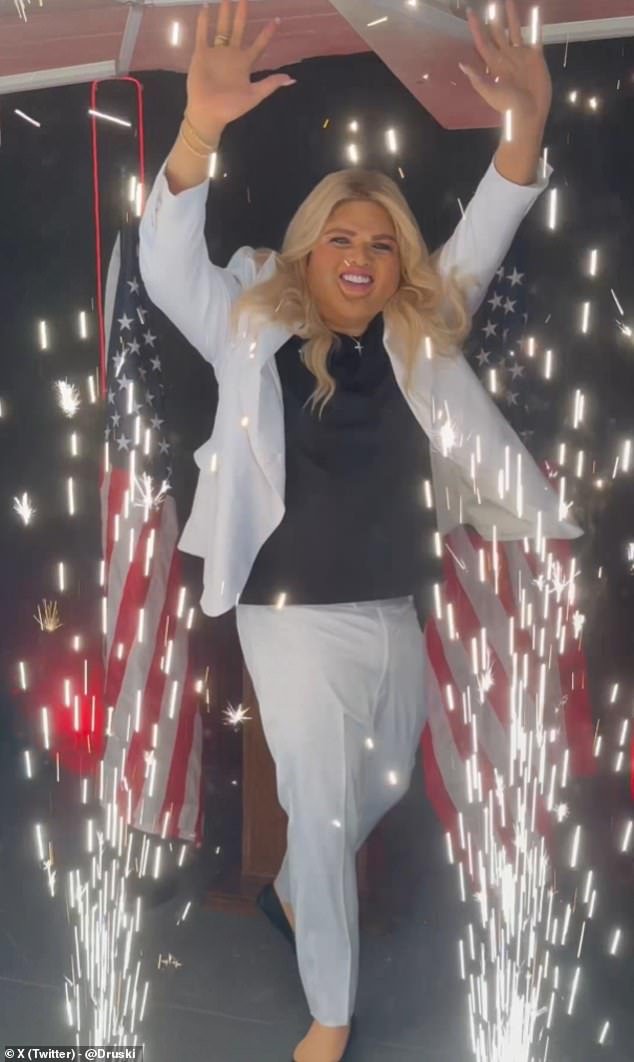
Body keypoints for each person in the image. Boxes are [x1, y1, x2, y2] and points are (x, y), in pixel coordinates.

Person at [139, 2, 581, 1058]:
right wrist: (199, 130)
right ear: (308, 247)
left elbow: (484, 233)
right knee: (326, 807)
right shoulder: (249, 318)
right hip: (286, 613)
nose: (360, 254)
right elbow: (166, 268)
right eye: (340, 235)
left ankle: (298, 888)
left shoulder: (417, 331)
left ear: (397, 264)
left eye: (380, 243)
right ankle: (328, 1018)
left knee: (379, 783)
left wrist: (525, 125)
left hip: (390, 603)